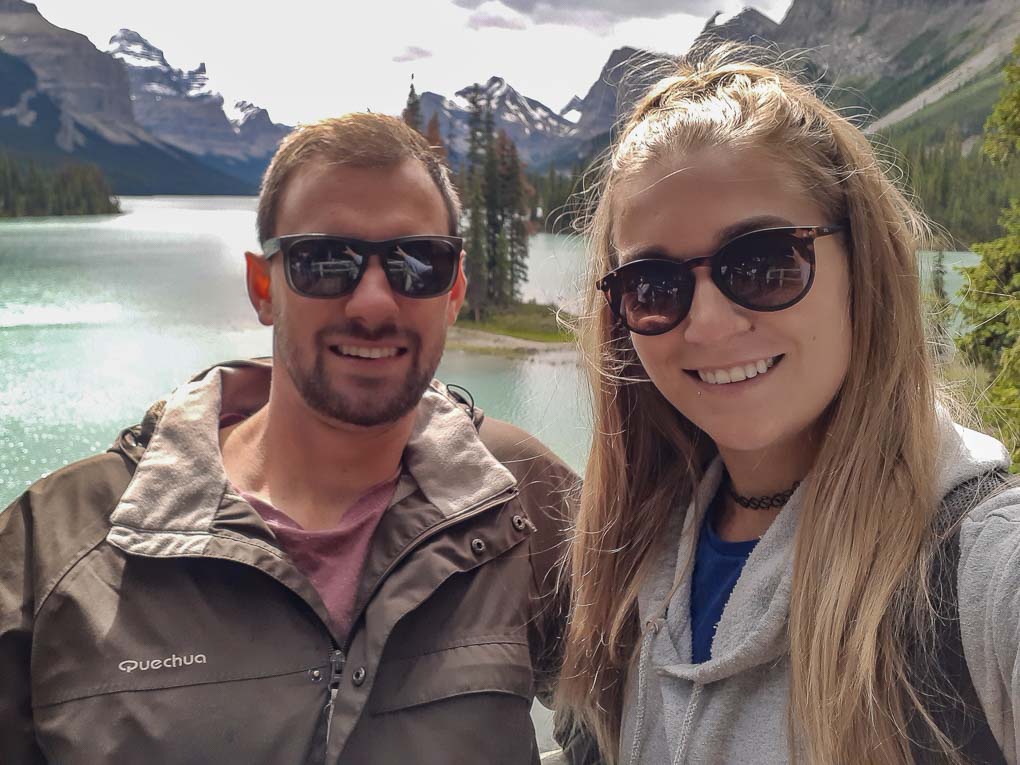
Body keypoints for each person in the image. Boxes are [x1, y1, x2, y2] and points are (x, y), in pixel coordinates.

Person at [0, 113, 580, 764]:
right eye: (325, 262)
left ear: (453, 292)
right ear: (263, 286)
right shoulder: (55, 548)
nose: (372, 302)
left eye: (418, 263)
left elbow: (645, 716)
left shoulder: (527, 502)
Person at [556, 47, 1020, 765]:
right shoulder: (632, 558)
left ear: (860, 266)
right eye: (652, 284)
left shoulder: (978, 562)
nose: (707, 323)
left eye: (765, 263)